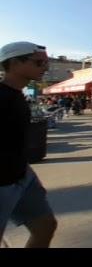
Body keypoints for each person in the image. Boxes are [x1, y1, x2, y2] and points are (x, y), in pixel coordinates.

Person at [0, 41, 57, 247]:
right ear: (14, 63)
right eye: (39, 62)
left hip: (22, 175)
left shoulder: (19, 96)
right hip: (2, 181)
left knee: (45, 226)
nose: (46, 67)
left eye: (47, 62)